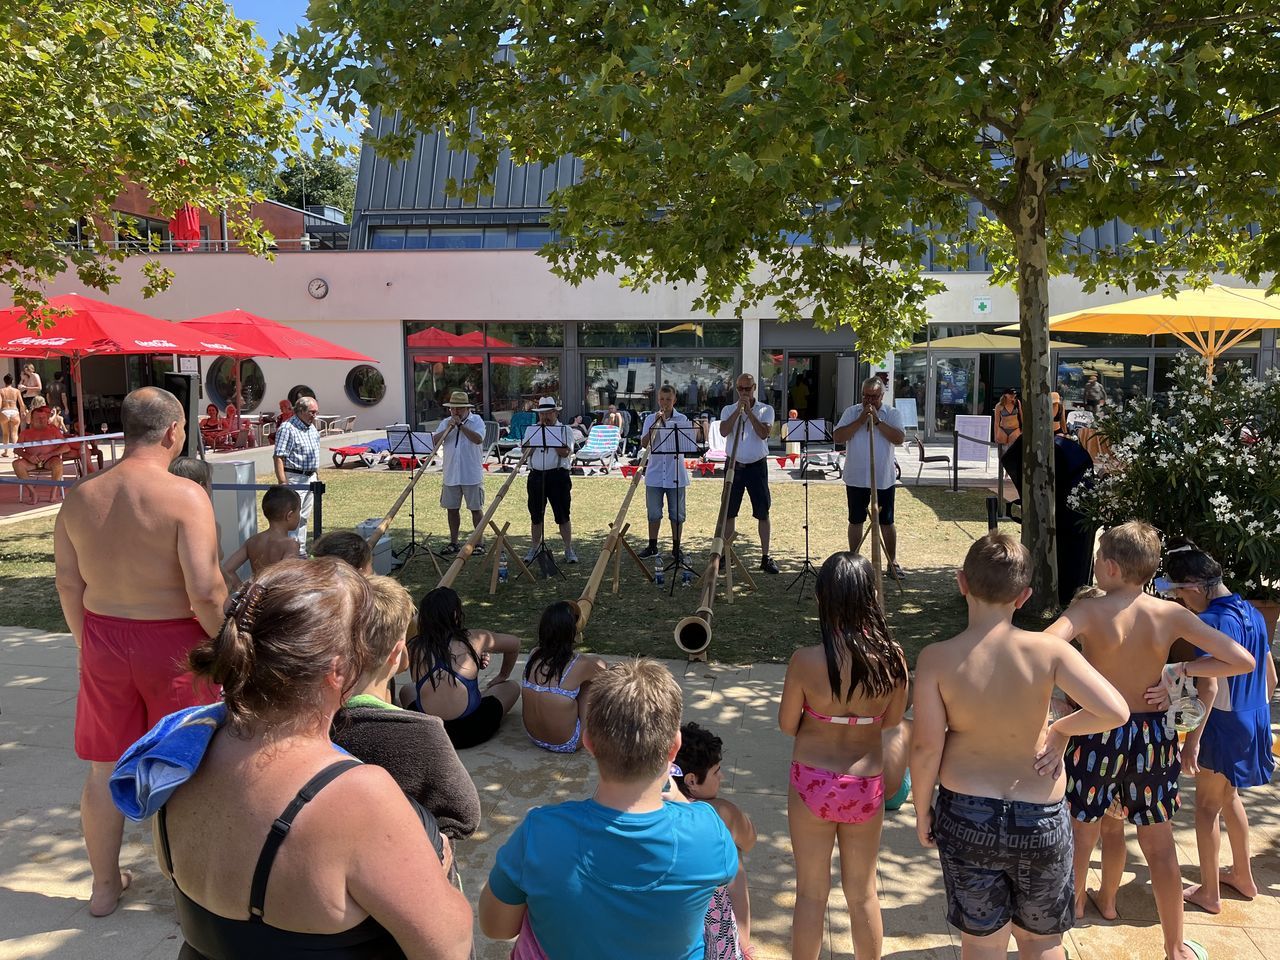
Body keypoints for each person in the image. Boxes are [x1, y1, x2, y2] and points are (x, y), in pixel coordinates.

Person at [142, 559, 473, 959]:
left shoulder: (181, 752)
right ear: (339, 669)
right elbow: (449, 948)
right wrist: (437, 863)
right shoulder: (359, 796)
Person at [912, 532, 1130, 960]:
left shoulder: (937, 658)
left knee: (982, 943)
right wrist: (1061, 729)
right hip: (1040, 816)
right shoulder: (1048, 651)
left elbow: (925, 748)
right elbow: (1115, 710)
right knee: (1042, 941)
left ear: (962, 582)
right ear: (1024, 596)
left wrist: (923, 810)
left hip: (967, 814)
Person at [1044, 521, 1255, 960]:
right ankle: (1175, 947)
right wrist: (1182, 670)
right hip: (1153, 739)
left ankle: (1065, 926)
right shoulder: (1169, 613)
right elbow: (1241, 660)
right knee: (1160, 848)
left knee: (1081, 837)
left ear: (1109, 566)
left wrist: (1067, 694)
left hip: (1096, 732)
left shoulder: (1087, 611)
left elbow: (1043, 650)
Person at [54, 386, 227, 917]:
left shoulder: (81, 496)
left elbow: (68, 583)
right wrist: (228, 643)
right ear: (174, 431)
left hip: (105, 636)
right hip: (176, 642)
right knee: (188, 765)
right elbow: (206, 591)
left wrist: (85, 643)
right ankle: (193, 890)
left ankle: (105, 887)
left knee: (104, 770)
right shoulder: (185, 496)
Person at [479, 659, 738, 959]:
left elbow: (496, 927)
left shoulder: (540, 832)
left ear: (589, 742)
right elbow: (725, 880)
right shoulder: (709, 831)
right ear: (674, 748)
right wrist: (680, 798)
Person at [779, 552, 910, 960]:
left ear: (822, 598)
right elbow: (893, 721)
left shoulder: (806, 660)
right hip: (865, 784)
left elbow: (787, 724)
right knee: (863, 893)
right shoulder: (892, 659)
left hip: (812, 781)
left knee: (811, 893)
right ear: (871, 597)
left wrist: (821, 719)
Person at [1158, 539, 1276, 915]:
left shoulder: (1209, 622)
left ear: (1193, 586)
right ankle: (1243, 876)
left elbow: (1208, 686)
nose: (1180, 601)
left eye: (1179, 593)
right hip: (1254, 716)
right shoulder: (1251, 611)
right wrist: (1253, 715)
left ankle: (1210, 893)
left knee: (1207, 808)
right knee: (1229, 797)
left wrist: (1192, 742)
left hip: (1222, 722)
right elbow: (1271, 675)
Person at [330, 575, 482, 841]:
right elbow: (465, 817)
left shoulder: (314, 718)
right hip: (400, 846)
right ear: (398, 652)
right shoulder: (423, 733)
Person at [674, 722, 757, 956]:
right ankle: (742, 944)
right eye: (716, 771)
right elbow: (750, 839)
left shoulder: (653, 808)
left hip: (666, 921)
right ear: (691, 780)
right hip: (710, 927)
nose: (722, 776)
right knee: (734, 850)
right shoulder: (721, 812)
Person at [405, 586, 521, 749]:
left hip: (430, 734)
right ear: (456, 614)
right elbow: (515, 644)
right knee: (512, 687)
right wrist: (503, 675)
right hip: (472, 731)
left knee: (407, 690)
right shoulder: (476, 639)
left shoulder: (413, 647)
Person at [833, 377, 907, 579]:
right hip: (856, 477)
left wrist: (878, 421)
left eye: (874, 397)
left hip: (883, 478)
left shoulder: (892, 413)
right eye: (866, 396)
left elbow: (899, 439)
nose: (869, 401)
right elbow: (838, 437)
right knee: (856, 519)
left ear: (882, 395)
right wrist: (860, 421)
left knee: (886, 521)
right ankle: (854, 562)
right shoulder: (852, 412)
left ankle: (892, 562)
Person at [520, 600, 608, 753]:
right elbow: (608, 678)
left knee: (576, 683)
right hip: (567, 743)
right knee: (591, 682)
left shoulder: (534, 654)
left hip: (534, 737)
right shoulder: (579, 664)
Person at [719, 373, 778, 574]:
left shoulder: (766, 410)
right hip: (733, 466)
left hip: (756, 467)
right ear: (736, 389)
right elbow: (723, 431)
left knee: (763, 512)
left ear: (754, 388)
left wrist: (750, 413)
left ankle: (765, 556)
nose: (744, 392)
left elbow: (763, 433)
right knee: (729, 511)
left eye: (748, 388)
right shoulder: (728, 409)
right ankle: (726, 554)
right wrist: (738, 411)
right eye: (740, 389)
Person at [639, 384, 692, 560]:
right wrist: (656, 424)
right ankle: (652, 546)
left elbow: (686, 444)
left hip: (675, 473)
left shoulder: (682, 419)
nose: (665, 403)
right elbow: (644, 444)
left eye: (668, 399)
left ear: (674, 400)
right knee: (653, 513)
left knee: (677, 514)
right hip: (655, 474)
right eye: (662, 399)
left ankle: (676, 548)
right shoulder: (650, 419)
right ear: (658, 400)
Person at [522, 395, 577, 564]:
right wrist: (537, 435)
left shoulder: (565, 430)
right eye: (542, 414)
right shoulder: (532, 429)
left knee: (562, 514)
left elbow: (565, 453)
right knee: (535, 514)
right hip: (536, 476)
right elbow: (525, 453)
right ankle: (534, 547)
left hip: (558, 475)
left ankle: (568, 549)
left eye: (548, 413)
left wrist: (550, 436)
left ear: (555, 413)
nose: (544, 417)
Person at [434, 390, 487, 556]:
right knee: (451, 509)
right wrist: (449, 428)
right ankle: (454, 542)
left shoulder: (477, 421)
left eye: (459, 408)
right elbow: (434, 441)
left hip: (471, 473)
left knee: (476, 509)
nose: (455, 412)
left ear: (467, 409)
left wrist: (461, 426)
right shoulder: (446, 423)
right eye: (452, 408)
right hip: (451, 473)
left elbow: (478, 439)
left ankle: (479, 543)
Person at [220, 486, 302, 589]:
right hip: (276, 597)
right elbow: (286, 578)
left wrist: (243, 590)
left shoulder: (252, 541)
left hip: (256, 596)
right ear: (289, 515)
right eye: (299, 511)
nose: (300, 515)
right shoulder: (291, 545)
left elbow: (227, 569)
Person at [271, 395, 320, 556]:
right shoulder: (287, 428)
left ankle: (301, 552)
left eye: (316, 412)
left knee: (304, 517)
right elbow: (279, 456)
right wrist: (283, 482)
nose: (314, 416)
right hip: (295, 478)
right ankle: (290, 554)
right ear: (300, 411)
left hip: (310, 477)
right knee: (292, 518)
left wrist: (315, 475)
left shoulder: (311, 428)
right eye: (312, 412)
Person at [12, 398, 70, 502]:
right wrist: (28, 456)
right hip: (30, 461)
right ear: (32, 420)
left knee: (58, 463)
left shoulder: (54, 431)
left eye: (43, 418)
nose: (41, 420)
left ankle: (53, 493)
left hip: (49, 460)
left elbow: (66, 447)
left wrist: (49, 454)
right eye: (38, 418)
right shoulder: (25, 433)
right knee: (17, 464)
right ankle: (33, 493)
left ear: (47, 418)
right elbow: (16, 450)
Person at [0, 373, 25, 457]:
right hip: (14, 411)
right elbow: (21, 404)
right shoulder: (16, 391)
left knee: (5, 433)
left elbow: (0, 403)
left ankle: (6, 452)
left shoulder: (1, 391)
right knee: (14, 434)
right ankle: (16, 453)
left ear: (4, 381)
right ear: (12, 381)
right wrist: (23, 412)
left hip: (5, 411)